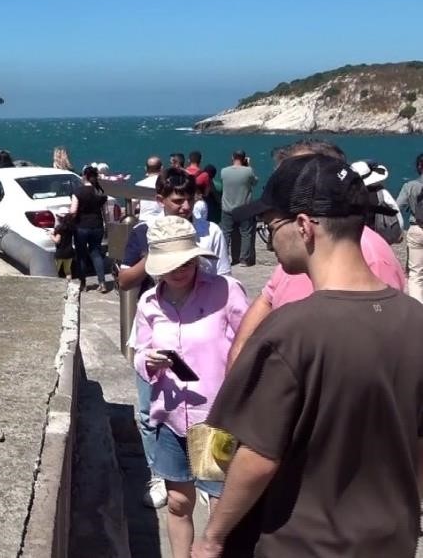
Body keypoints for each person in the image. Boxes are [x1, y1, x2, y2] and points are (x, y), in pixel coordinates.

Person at [194, 154, 423, 558]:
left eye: (271, 226)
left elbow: (258, 456)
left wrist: (212, 538)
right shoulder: (416, 319)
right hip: (391, 541)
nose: (270, 236)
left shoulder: (289, 332)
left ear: (303, 226)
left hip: (299, 544)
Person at [226, 140, 405, 368]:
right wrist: (240, 357)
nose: (280, 187)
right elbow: (268, 298)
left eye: (295, 177)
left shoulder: (368, 258)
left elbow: (371, 364)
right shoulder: (300, 253)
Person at [133, 215, 248, 558]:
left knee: (219, 505)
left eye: (185, 261)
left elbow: (252, 342)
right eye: (170, 264)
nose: (179, 270)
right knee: (178, 501)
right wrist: (148, 362)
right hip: (169, 418)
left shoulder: (225, 291)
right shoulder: (149, 303)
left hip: (213, 418)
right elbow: (139, 352)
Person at [117, 167, 231, 510]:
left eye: (189, 200)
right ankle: (162, 473)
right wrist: (161, 255)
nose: (184, 207)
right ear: (161, 200)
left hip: (201, 335)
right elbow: (125, 282)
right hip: (157, 334)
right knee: (151, 410)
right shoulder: (142, 233)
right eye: (177, 201)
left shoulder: (210, 232)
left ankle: (210, 481)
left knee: (206, 408)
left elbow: (225, 282)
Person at [70, 165, 109, 292]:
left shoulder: (78, 192)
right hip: (97, 226)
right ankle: (102, 283)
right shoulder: (101, 192)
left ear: (84, 176)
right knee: (96, 254)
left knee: (81, 255)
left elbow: (73, 210)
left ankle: (83, 284)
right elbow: (106, 212)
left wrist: (68, 221)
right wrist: (107, 226)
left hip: (81, 227)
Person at [219, 151, 258, 267]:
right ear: (244, 158)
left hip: (227, 207)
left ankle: (224, 257)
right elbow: (255, 182)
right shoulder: (248, 171)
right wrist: (249, 166)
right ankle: (244, 259)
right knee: (246, 233)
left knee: (226, 233)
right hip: (244, 207)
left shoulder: (224, 171)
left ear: (232, 157)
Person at [396, 152, 423, 303]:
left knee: (415, 274)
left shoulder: (410, 186)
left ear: (419, 166)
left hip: (416, 229)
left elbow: (397, 206)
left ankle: (418, 311)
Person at [135, 156, 164, 222]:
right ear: (162, 168)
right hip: (161, 220)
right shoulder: (166, 184)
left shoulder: (139, 184)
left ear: (145, 168)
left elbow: (133, 202)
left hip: (144, 219)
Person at [51, 213, 76, 280]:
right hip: (69, 252)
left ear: (59, 218)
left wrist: (51, 235)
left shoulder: (59, 228)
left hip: (60, 253)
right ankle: (69, 285)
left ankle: (55, 285)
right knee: (67, 271)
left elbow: (57, 240)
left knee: (56, 270)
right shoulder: (70, 227)